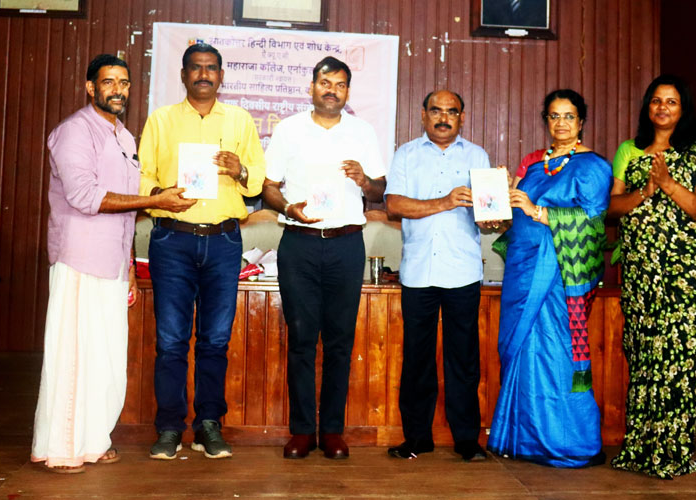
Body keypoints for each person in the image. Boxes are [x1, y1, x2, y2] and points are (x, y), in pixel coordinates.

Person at [32, 54, 194, 473]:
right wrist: (157, 200)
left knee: (104, 360)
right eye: (108, 82)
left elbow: (124, 209)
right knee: (74, 357)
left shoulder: (123, 136)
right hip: (80, 259)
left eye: (124, 82)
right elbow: (87, 197)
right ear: (91, 88)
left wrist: (129, 270)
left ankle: (93, 439)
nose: (118, 90)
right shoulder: (73, 132)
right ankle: (63, 447)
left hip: (111, 264)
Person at [608, 75, 696, 478]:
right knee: (646, 357)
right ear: (647, 108)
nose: (662, 108)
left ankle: (673, 453)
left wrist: (667, 183)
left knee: (679, 362)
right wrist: (644, 193)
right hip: (641, 273)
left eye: (671, 102)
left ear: (683, 109)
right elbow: (612, 209)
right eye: (656, 101)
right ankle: (639, 450)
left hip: (685, 275)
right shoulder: (628, 151)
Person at [138, 43, 266, 460]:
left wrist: (239, 170)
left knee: (214, 339)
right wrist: (163, 195)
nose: (204, 75)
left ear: (222, 75)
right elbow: (142, 179)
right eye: (196, 68)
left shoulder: (241, 120)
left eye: (211, 69)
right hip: (172, 239)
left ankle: (209, 424)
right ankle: (169, 428)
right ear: (184, 75)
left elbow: (256, 182)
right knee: (171, 341)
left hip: (225, 241)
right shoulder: (161, 120)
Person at [262, 56, 387, 459]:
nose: (332, 90)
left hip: (346, 244)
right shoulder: (288, 130)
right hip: (298, 243)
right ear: (312, 87)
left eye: (340, 84)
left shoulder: (363, 131)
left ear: (348, 92)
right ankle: (301, 431)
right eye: (325, 82)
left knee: (339, 341)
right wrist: (286, 208)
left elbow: (379, 190)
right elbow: (267, 186)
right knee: (300, 340)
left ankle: (332, 430)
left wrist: (364, 180)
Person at [486, 89, 610, 467]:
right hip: (523, 272)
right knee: (521, 350)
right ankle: (521, 440)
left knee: (557, 350)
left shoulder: (594, 167)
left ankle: (570, 442)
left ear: (582, 121)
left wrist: (539, 212)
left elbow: (593, 222)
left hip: (558, 275)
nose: (561, 123)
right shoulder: (536, 168)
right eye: (554, 116)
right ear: (546, 121)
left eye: (569, 116)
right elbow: (519, 217)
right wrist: (500, 208)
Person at [384, 90, 489, 462]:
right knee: (417, 359)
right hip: (418, 271)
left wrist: (495, 215)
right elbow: (394, 205)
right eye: (436, 111)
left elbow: (488, 208)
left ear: (462, 117)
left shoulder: (477, 156)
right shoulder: (406, 155)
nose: (443, 118)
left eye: (452, 112)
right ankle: (416, 438)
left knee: (463, 360)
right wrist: (444, 201)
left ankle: (466, 440)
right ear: (423, 114)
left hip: (462, 270)